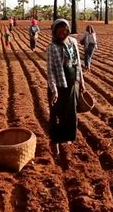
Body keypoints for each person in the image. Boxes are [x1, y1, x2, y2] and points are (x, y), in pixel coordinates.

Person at [46, 18, 85, 155]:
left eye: (65, 31)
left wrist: (81, 83)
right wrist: (54, 90)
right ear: (54, 32)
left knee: (70, 114)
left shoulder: (72, 42)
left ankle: (67, 139)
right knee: (57, 115)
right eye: (59, 32)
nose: (62, 34)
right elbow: (50, 71)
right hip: (59, 85)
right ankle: (55, 142)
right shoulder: (52, 48)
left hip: (72, 82)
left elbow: (78, 64)